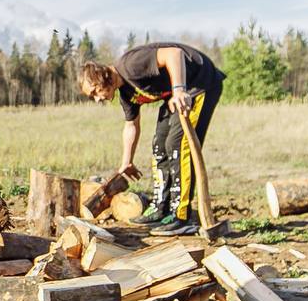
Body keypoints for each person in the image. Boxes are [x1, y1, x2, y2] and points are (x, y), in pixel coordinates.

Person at [78, 42, 225, 236]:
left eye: (95, 92)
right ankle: (160, 207)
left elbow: (174, 54)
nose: (97, 99)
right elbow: (131, 125)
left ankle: (180, 215)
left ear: (102, 77)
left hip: (200, 84)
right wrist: (126, 162)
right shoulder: (126, 94)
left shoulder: (130, 65)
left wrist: (179, 90)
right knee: (159, 145)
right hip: (176, 93)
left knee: (177, 145)